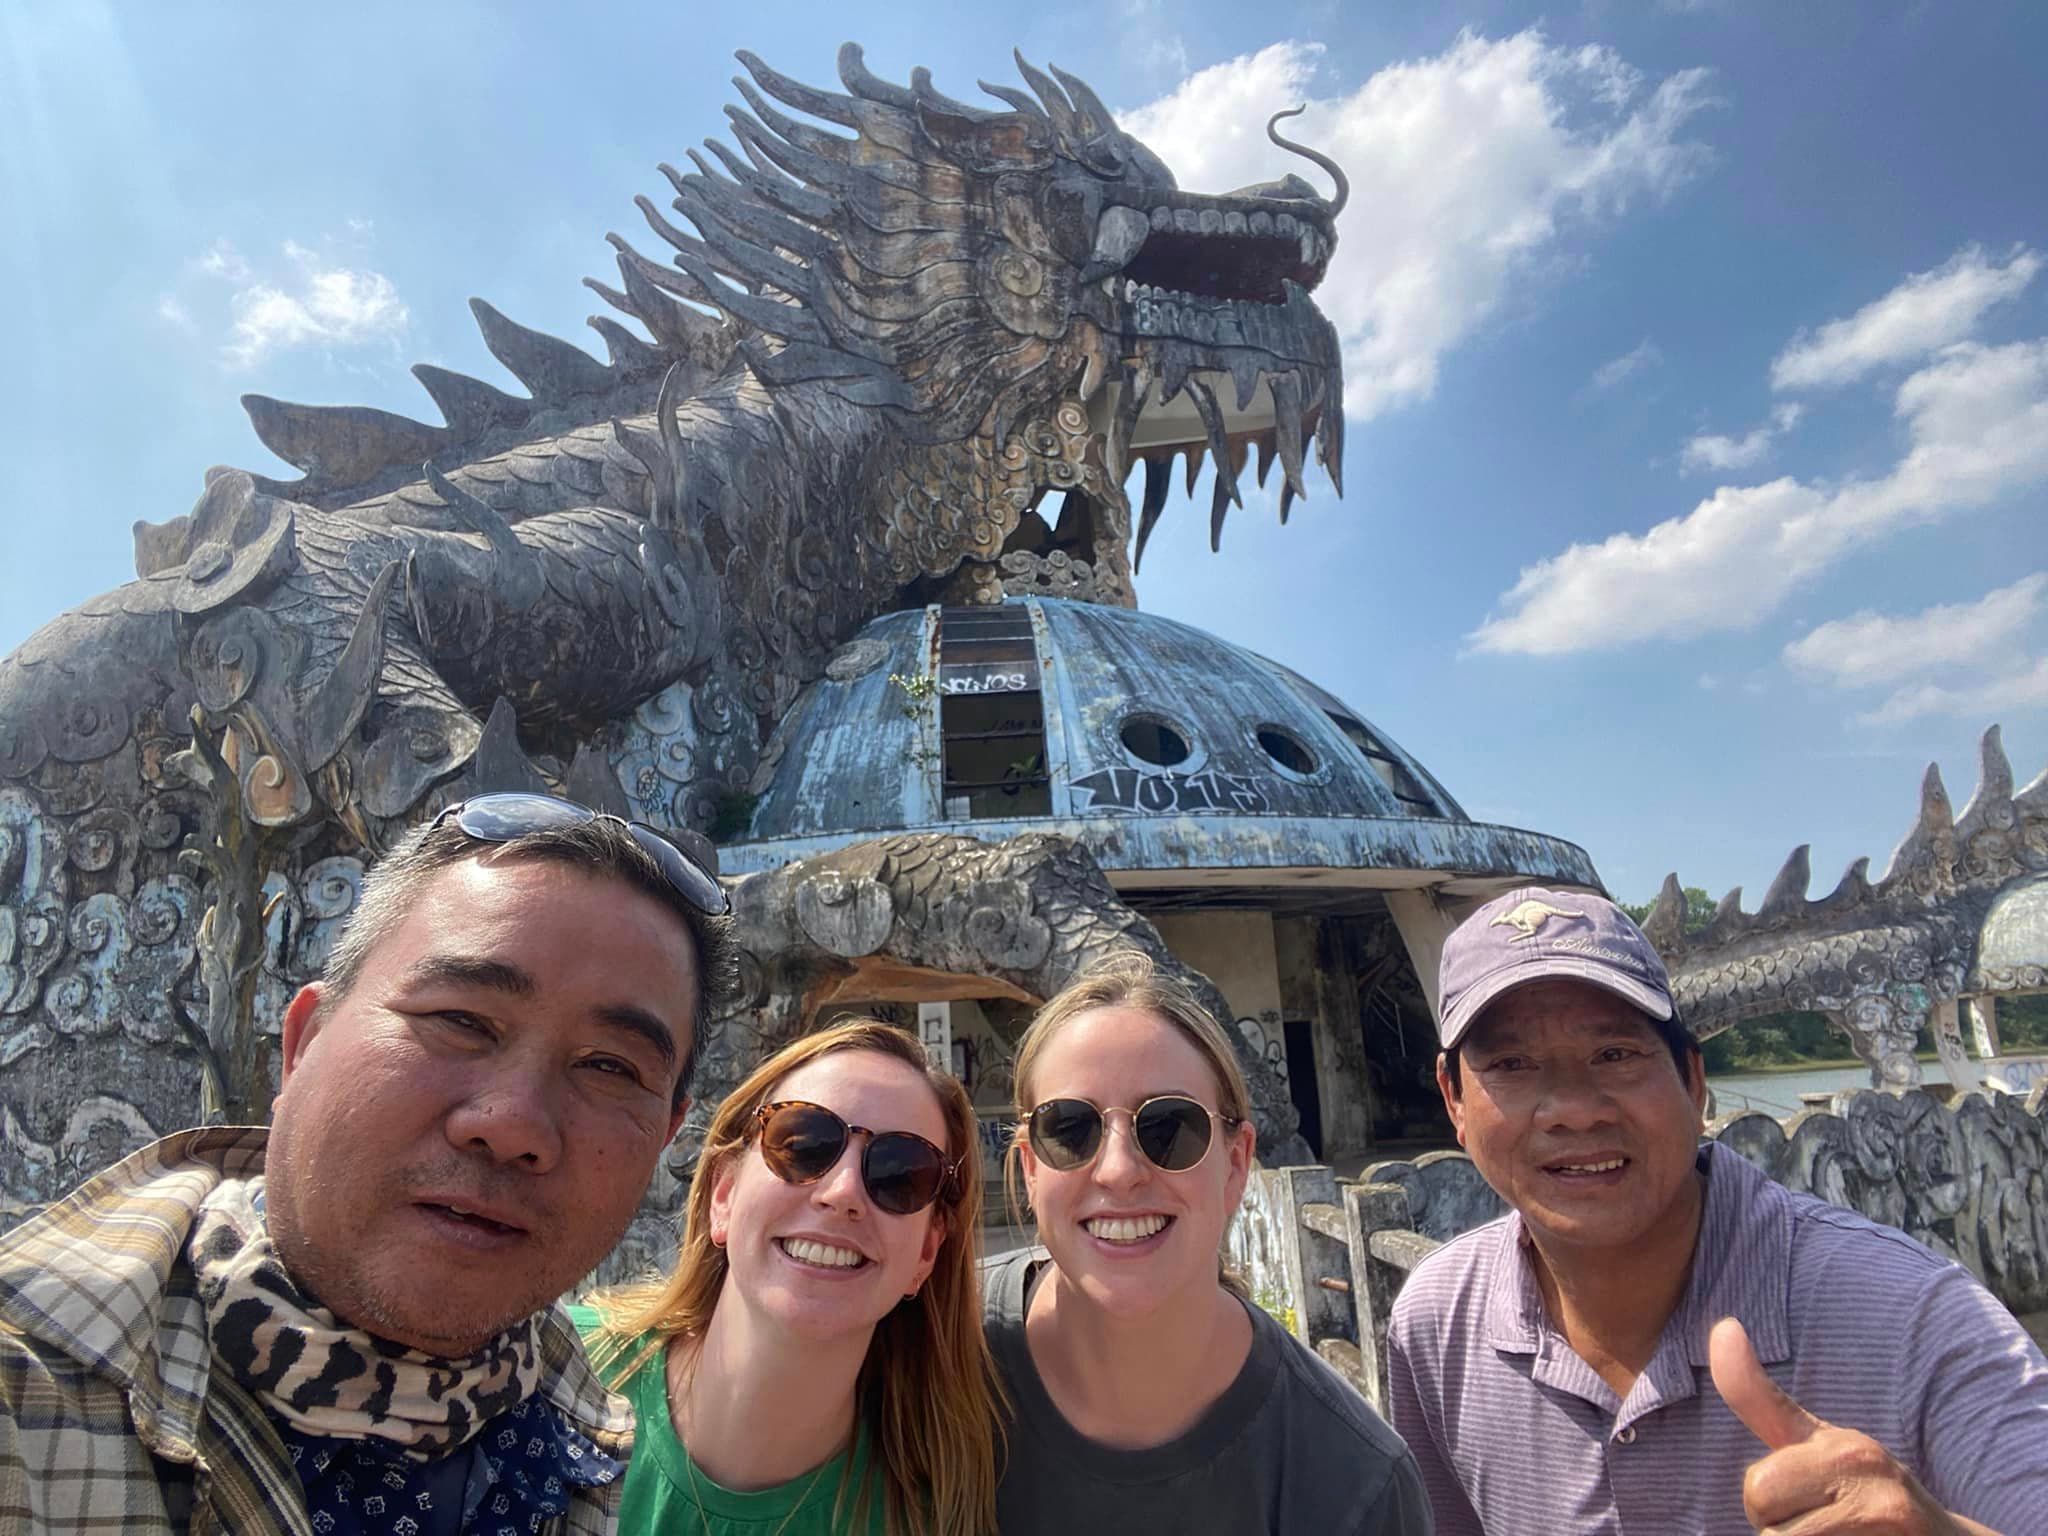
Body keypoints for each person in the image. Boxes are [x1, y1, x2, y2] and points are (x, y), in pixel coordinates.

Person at [0, 792, 733, 1535]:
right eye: (461, 1021)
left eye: (609, 1067)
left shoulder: (586, 1437)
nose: (512, 1125)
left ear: (670, 1133)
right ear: (304, 1043)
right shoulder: (30, 1405)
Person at [1387, 885, 2048, 1535]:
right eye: (1511, 1063)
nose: (1573, 1108)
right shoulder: (1437, 1323)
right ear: (1454, 1102)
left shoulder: (1913, 1318)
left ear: (1694, 1082)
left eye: (1615, 1054)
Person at [986, 949, 1433, 1535]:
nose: (1118, 1170)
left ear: (1236, 1162)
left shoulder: (1354, 1486)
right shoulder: (926, 1361)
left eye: (1170, 1127)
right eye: (1070, 1129)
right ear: (1030, 1168)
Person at [575, 1018, 1000, 1535]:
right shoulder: (548, 1371)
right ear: (723, 1196)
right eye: (802, 1144)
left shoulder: (926, 1520)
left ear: (928, 1251)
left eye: (899, 1173)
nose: (841, 1191)